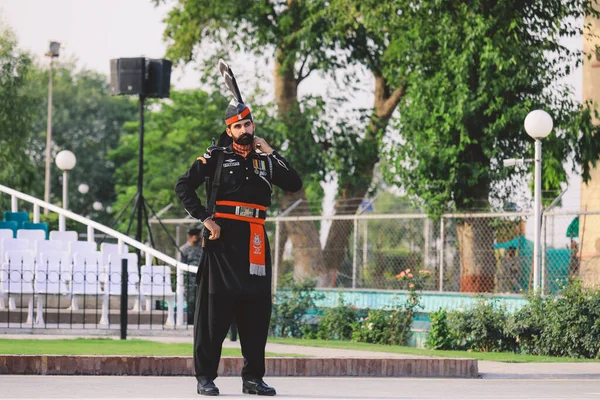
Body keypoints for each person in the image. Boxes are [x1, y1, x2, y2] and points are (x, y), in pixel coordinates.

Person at [175, 98, 302, 396]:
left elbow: (294, 182)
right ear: (228, 129)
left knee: (256, 313)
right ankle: (205, 377)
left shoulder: (267, 162)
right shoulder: (216, 156)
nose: (243, 130)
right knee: (214, 313)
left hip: (256, 240)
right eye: (237, 126)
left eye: (247, 124)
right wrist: (206, 219)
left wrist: (271, 151)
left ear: (253, 126)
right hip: (222, 242)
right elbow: (183, 186)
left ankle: (253, 378)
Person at [179, 228, 203, 324]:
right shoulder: (184, 249)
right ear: (192, 237)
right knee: (191, 301)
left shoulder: (201, 248)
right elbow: (181, 265)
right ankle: (190, 321)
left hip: (201, 278)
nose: (199, 238)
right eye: (197, 236)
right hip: (190, 280)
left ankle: (199, 321)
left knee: (200, 300)